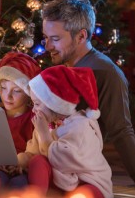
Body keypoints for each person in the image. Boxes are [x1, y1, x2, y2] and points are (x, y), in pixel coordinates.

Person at [41, 0, 135, 198]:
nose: (47, 46)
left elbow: (122, 134)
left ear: (81, 36)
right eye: (46, 37)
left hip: (76, 176)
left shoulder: (105, 73)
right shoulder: (61, 68)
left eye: (55, 39)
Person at [18, 65, 113, 198]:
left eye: (37, 104)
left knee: (87, 193)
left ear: (55, 105)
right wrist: (19, 161)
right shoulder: (46, 124)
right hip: (62, 182)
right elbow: (33, 152)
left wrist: (44, 134)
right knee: (38, 161)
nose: (33, 110)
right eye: (33, 104)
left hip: (86, 181)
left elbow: (63, 161)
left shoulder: (80, 126)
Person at [0, 51, 41, 189]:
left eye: (16, 91)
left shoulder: (34, 119)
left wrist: (21, 165)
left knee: (19, 184)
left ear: (28, 94)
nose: (7, 96)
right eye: (3, 88)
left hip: (23, 170)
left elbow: (39, 152)